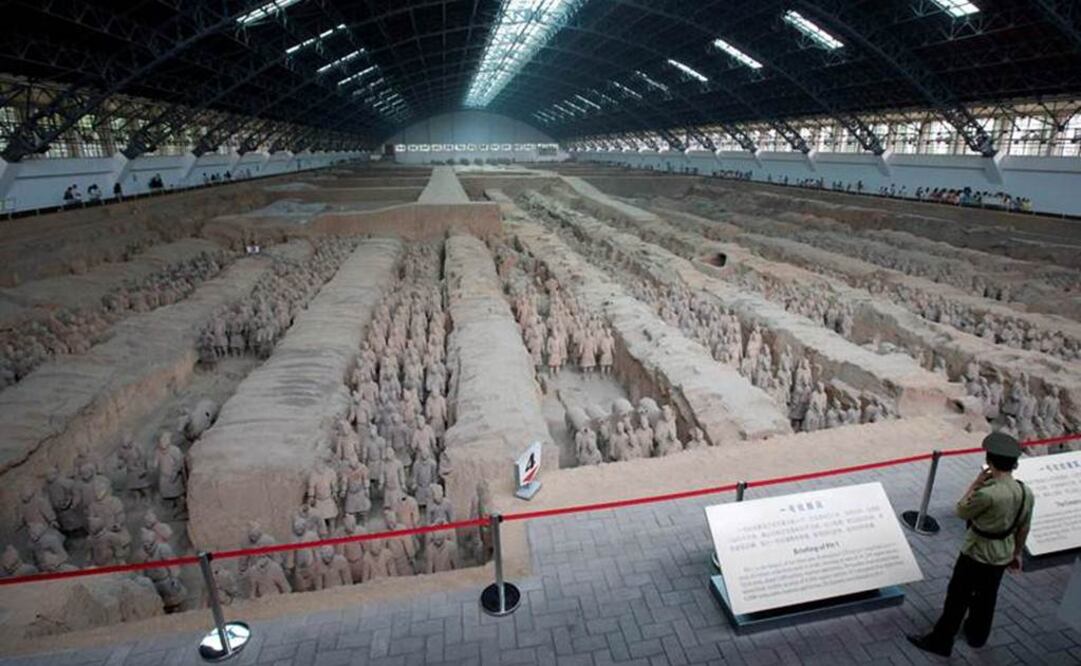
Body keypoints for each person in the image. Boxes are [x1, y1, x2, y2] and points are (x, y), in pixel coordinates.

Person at [907, 432, 1034, 657]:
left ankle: (941, 641)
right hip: (1002, 553)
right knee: (987, 597)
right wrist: (1016, 553)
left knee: (958, 598)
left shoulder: (988, 494)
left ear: (990, 461)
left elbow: (961, 510)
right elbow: (1024, 527)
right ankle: (977, 635)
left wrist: (975, 483)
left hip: (977, 553)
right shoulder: (1025, 492)